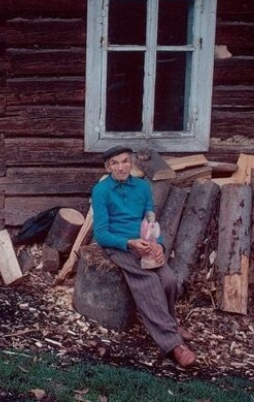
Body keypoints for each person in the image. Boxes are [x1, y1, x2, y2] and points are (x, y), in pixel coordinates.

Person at [91, 145, 197, 368]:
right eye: (115, 163)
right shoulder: (101, 191)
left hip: (144, 242)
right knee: (148, 281)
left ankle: (170, 323)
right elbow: (101, 234)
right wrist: (129, 243)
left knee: (169, 280)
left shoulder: (142, 187)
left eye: (125, 161)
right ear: (108, 168)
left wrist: (158, 244)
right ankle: (173, 344)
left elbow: (150, 219)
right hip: (118, 245)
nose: (121, 167)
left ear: (131, 163)